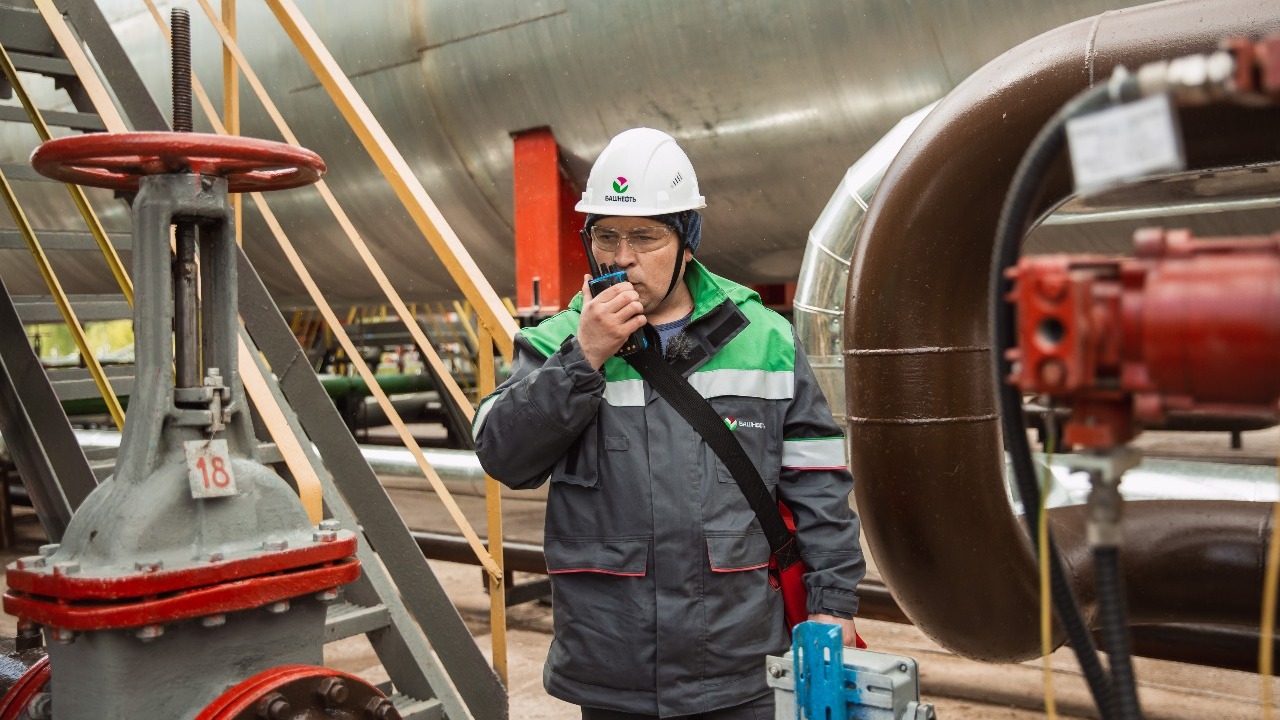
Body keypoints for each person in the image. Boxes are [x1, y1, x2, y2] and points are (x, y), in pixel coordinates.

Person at [474, 127, 864, 719]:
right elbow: (503, 456)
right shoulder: (558, 341)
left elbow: (818, 484)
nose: (621, 258)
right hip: (614, 673)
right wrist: (584, 358)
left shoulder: (765, 340)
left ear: (687, 243)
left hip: (741, 668)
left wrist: (832, 602)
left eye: (645, 237)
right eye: (606, 236)